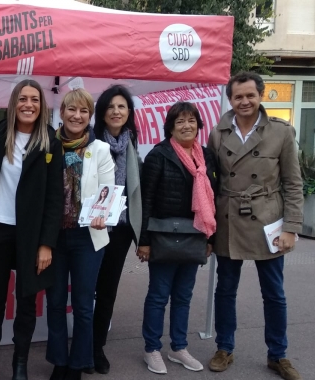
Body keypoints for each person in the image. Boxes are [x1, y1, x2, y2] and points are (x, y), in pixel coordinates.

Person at [207, 72, 304, 380]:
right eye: (238, 97)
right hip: (229, 218)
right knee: (225, 289)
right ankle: (224, 348)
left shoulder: (281, 132)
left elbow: (293, 183)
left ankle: (278, 355)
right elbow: (212, 183)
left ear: (261, 95)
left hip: (268, 220)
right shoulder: (218, 132)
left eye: (250, 95)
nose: (244, 101)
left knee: (274, 293)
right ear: (230, 99)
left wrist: (291, 226)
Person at [0, 79, 64, 380]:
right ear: (14, 103)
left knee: (26, 302)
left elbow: (54, 199)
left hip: (32, 237)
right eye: (23, 99)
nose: (29, 105)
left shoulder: (51, 141)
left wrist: (47, 243)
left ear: (42, 105)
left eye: (35, 100)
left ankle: (19, 364)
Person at [137, 101, 218, 375]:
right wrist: (143, 240)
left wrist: (211, 240)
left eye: (191, 120)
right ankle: (152, 349)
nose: (187, 126)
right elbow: (145, 201)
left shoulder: (205, 157)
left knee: (183, 296)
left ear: (199, 124)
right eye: (180, 121)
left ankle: (178, 347)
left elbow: (213, 200)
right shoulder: (158, 155)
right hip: (163, 238)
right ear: (170, 126)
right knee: (158, 296)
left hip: (195, 237)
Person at [45, 88, 114, 380]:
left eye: (83, 111)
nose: (77, 116)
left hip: (88, 237)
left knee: (84, 306)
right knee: (56, 302)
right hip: (54, 238)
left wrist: (103, 213)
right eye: (71, 109)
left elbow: (107, 193)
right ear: (61, 113)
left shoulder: (100, 149)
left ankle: (77, 364)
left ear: (90, 116)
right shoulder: (48, 146)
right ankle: (60, 362)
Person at [87, 85, 143, 375]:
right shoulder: (90, 141)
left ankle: (97, 347)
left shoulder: (132, 144)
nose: (116, 112)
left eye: (122, 107)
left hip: (119, 230)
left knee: (107, 291)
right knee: (86, 291)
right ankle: (82, 346)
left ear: (129, 113)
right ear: (102, 112)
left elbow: (137, 190)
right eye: (111, 107)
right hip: (92, 227)